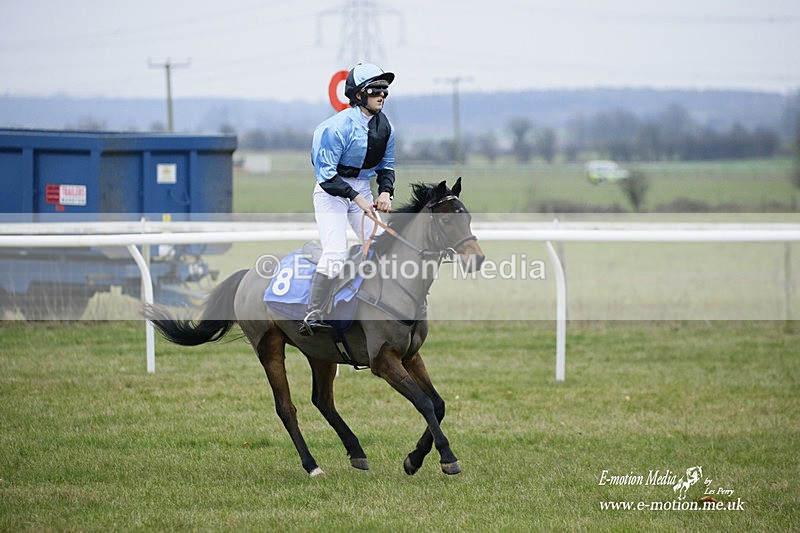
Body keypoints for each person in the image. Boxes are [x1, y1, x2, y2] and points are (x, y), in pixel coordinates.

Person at [300, 62, 396, 336]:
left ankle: (372, 307)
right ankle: (313, 312)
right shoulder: (333, 129)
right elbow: (327, 178)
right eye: (376, 89)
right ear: (358, 95)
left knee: (382, 244)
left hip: (361, 189)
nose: (382, 95)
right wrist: (358, 198)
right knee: (336, 253)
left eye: (385, 90)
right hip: (332, 193)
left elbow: (386, 166)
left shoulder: (386, 128)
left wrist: (386, 192)